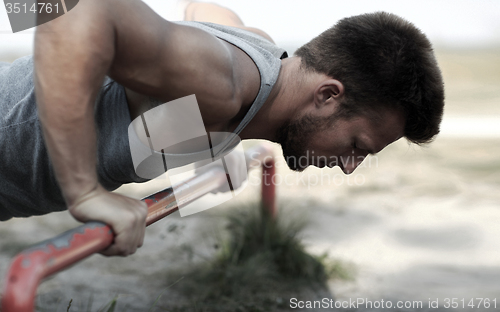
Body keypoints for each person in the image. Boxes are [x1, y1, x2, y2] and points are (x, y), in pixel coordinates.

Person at [0, 0, 444, 256]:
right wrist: (85, 193)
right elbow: (75, 12)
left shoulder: (261, 59)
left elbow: (204, 8)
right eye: (356, 146)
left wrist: (213, 146)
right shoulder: (225, 83)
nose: (349, 167)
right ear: (328, 95)